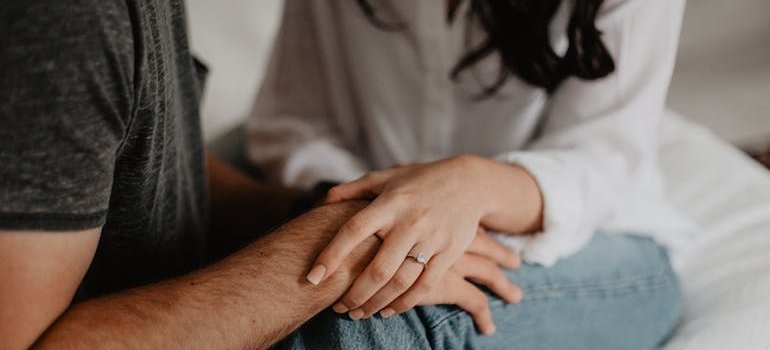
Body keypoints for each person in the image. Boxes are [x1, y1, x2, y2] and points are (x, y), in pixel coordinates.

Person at [0, 1, 521, 349]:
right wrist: (327, 250)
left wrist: (315, 209)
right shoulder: (63, 20)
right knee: (379, 320)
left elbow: (122, 157)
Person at [248, 0, 692, 348]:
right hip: (367, 193)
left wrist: (468, 186)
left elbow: (605, 161)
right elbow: (295, 122)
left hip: (595, 232)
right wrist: (385, 217)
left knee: (377, 309)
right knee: (359, 276)